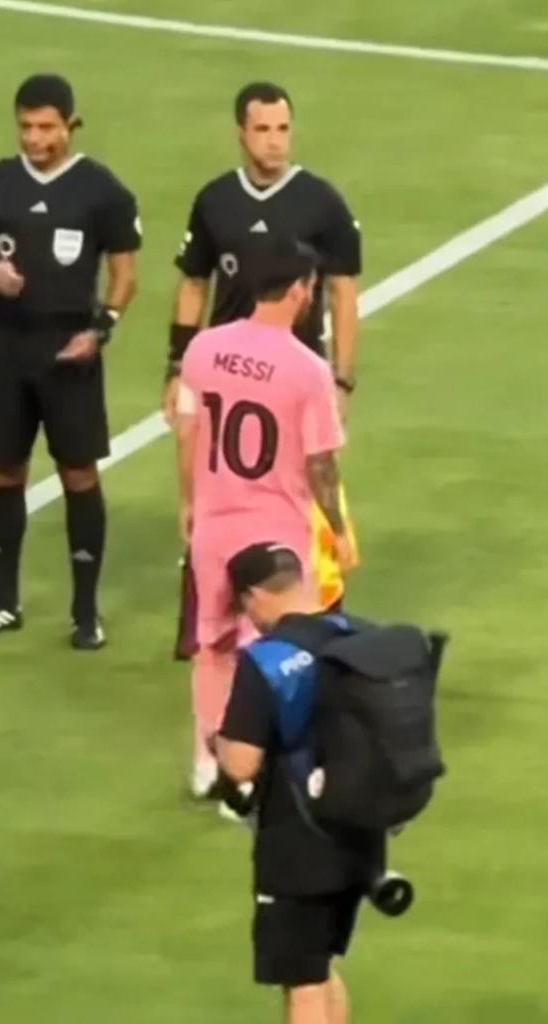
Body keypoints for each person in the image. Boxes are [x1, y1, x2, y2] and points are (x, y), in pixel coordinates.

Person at [164, 81, 362, 659]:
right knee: (216, 493)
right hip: (224, 375)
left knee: (297, 495)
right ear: (240, 133)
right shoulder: (215, 201)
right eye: (263, 130)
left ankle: (312, 615)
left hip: (292, 382)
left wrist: (342, 378)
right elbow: (194, 283)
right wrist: (176, 367)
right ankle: (208, 619)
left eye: (283, 129)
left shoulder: (320, 202)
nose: (275, 141)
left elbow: (344, 292)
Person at [0, 73, 142, 648]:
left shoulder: (102, 191)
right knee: (0, 468)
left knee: (78, 473)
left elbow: (125, 273)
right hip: (8, 345)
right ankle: (2, 601)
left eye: (46, 127)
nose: (35, 138)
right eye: (26, 126)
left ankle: (85, 612)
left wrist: (101, 328)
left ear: (69, 124)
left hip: (70, 349)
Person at [175, 234, 355, 801]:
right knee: (280, 649)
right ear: (300, 289)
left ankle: (208, 764)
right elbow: (320, 462)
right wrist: (339, 530)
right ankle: (262, 770)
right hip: (275, 528)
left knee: (212, 644)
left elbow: (188, 431)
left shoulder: (204, 348)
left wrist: (188, 502)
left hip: (214, 523)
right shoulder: (307, 369)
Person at [217, 542, 385, 1024]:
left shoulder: (267, 660)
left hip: (299, 842)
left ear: (253, 596)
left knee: (303, 983)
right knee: (321, 963)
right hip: (361, 832)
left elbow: (241, 765)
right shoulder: (362, 636)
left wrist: (220, 744)